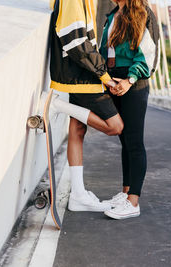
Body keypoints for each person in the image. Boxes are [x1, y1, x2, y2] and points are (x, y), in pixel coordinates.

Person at [44, 0, 126, 212]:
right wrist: (105, 77)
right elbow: (76, 43)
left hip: (81, 73)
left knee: (77, 129)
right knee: (115, 126)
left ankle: (78, 195)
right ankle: (57, 105)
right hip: (82, 77)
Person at [100, 0, 160, 219]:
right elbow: (104, 50)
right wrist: (107, 79)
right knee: (124, 141)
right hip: (113, 81)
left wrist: (129, 80)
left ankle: (134, 202)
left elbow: (149, 52)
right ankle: (125, 193)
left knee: (134, 141)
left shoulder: (144, 13)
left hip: (133, 83)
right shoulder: (113, 14)